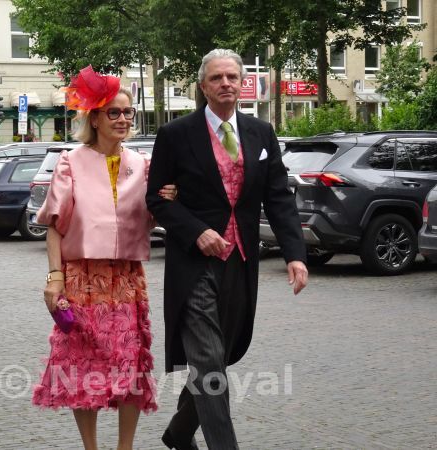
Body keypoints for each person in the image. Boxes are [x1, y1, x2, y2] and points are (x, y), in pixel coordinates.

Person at [146, 49, 309, 449]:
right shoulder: (176, 134)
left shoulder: (260, 133)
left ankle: (179, 433)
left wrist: (295, 254)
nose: (226, 84)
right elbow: (157, 198)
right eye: (217, 78)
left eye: (232, 77)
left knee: (221, 357)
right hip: (194, 266)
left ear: (242, 83)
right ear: (203, 86)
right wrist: (196, 230)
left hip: (240, 261)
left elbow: (278, 198)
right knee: (208, 359)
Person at [32, 66, 176, 450]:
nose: (123, 119)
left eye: (128, 112)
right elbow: (54, 226)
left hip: (127, 278)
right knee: (83, 368)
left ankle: (124, 447)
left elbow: (157, 214)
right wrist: (54, 278)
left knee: (131, 365)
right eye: (114, 112)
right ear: (94, 118)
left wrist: (170, 201)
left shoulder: (143, 165)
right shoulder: (70, 162)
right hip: (81, 279)